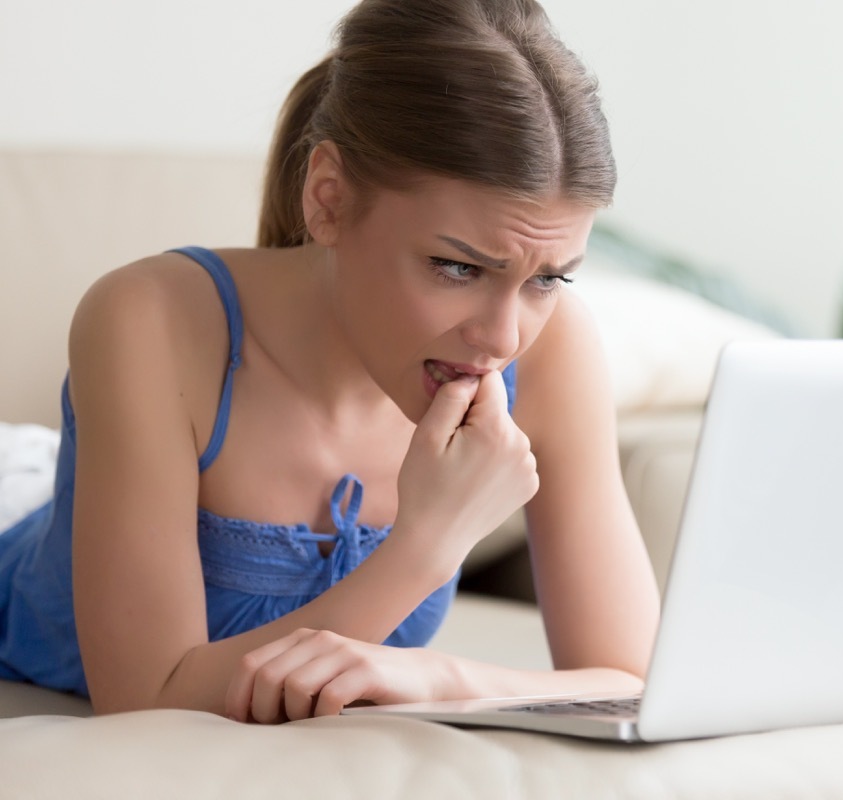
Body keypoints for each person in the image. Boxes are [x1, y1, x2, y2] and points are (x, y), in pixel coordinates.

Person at [0, 0, 660, 723]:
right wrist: (425, 546)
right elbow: (145, 702)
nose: (503, 339)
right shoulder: (148, 320)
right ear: (329, 200)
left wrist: (437, 679)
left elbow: (633, 681)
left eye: (548, 279)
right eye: (456, 267)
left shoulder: (556, 349)